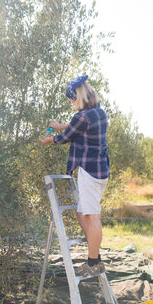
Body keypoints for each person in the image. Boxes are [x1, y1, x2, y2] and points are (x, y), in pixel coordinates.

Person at [41, 75, 110, 277]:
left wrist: (50, 139)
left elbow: (66, 137)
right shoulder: (98, 112)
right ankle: (94, 255)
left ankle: (93, 263)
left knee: (92, 216)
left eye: (72, 100)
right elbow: (77, 129)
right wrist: (61, 125)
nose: (71, 103)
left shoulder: (81, 117)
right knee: (82, 214)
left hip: (89, 172)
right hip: (100, 170)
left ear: (77, 97)